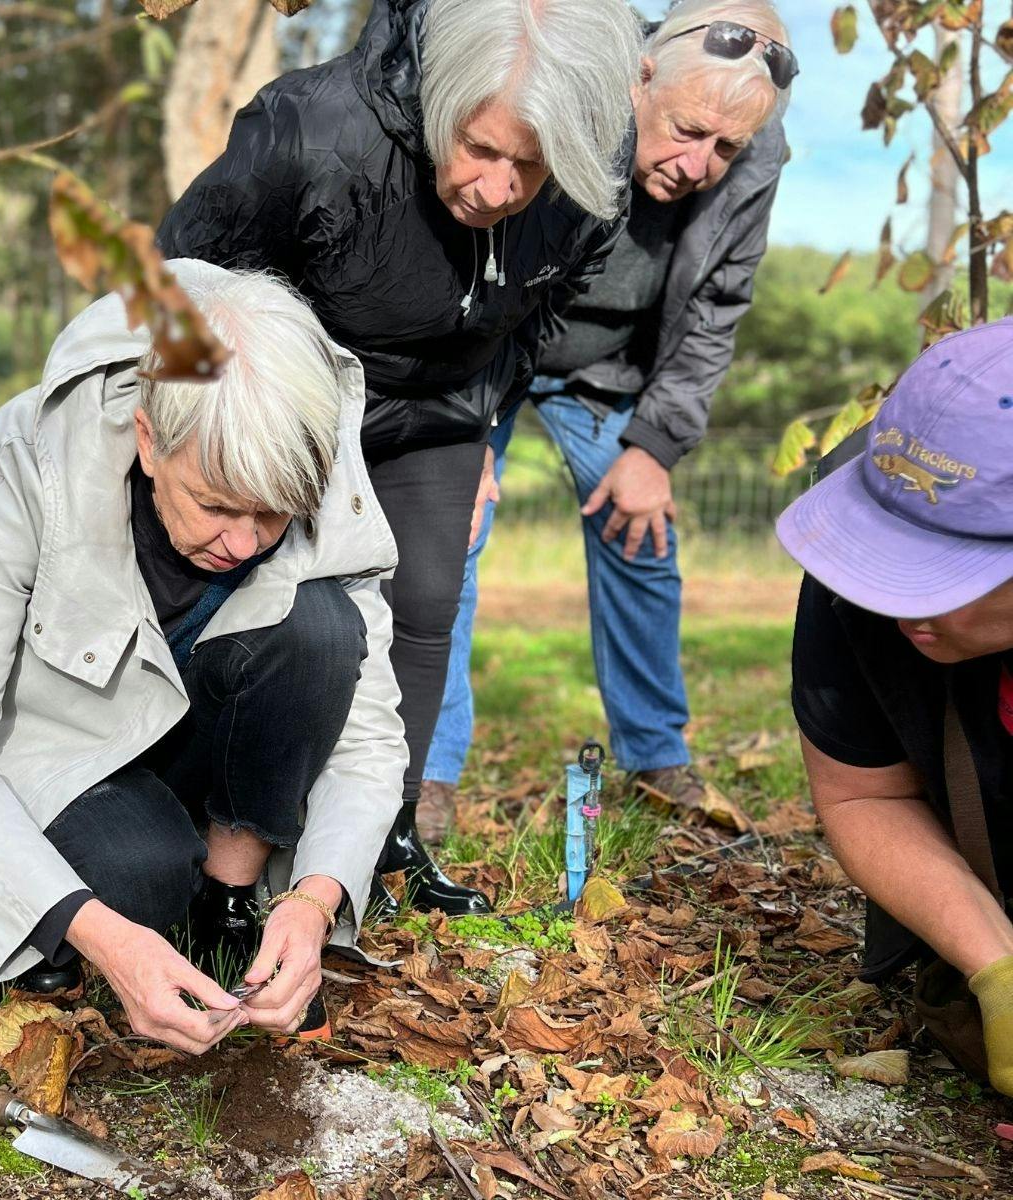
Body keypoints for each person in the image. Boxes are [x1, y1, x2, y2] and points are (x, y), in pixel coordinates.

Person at [0, 265, 405, 1055]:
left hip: (197, 734)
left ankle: (229, 901)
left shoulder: (311, 449)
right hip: (52, 759)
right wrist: (112, 938)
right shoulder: (28, 459)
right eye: (214, 504)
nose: (243, 543)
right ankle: (133, 906)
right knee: (137, 880)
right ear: (148, 437)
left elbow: (369, 733)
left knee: (319, 628)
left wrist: (314, 902)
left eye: (273, 514)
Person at [159, 0, 641, 915]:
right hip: (299, 398)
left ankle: (386, 838)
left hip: (444, 407)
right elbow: (186, 274)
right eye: (481, 150)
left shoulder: (588, 161)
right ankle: (205, 836)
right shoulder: (309, 130)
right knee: (267, 602)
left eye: (527, 167)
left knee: (425, 604)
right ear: (441, 99)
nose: (499, 189)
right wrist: (210, 436)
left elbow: (549, 301)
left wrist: (490, 424)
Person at [422, 0, 794, 843]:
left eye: (725, 149)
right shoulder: (571, 71)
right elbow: (465, 252)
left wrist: (654, 447)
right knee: (448, 529)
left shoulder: (754, 148)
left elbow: (715, 310)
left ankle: (657, 755)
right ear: (641, 74)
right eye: (687, 131)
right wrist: (460, 429)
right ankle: (427, 771)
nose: (700, 165)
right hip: (492, 346)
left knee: (642, 530)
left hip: (609, 369)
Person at [777, 318, 1013, 1098]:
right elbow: (865, 791)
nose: (895, 598)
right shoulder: (861, 564)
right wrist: (996, 967)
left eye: (940, 570)